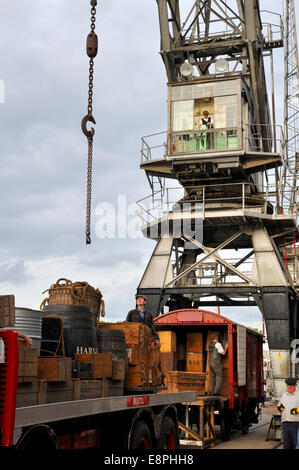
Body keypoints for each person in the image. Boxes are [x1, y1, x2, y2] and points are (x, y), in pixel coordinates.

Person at [277, 377, 299, 449]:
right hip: (285, 424)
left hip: (295, 424)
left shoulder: (298, 395)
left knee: (295, 445)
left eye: (292, 385)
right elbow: (279, 405)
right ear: (287, 386)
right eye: (288, 385)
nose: (290, 387)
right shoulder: (284, 395)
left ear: (295, 386)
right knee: (286, 445)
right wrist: (279, 408)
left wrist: (298, 410)